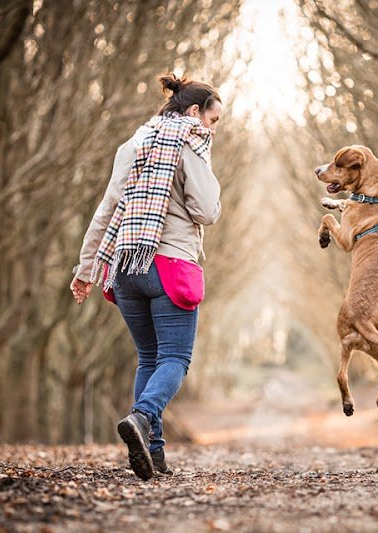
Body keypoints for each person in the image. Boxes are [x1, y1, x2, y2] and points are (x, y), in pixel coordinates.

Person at [70, 74, 222, 480]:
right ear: (194, 112)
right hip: (169, 266)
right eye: (213, 120)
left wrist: (86, 268)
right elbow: (207, 210)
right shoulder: (189, 145)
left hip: (125, 267)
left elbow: (106, 209)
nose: (213, 129)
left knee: (149, 359)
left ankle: (153, 454)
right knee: (175, 358)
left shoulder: (133, 144)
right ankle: (142, 416)